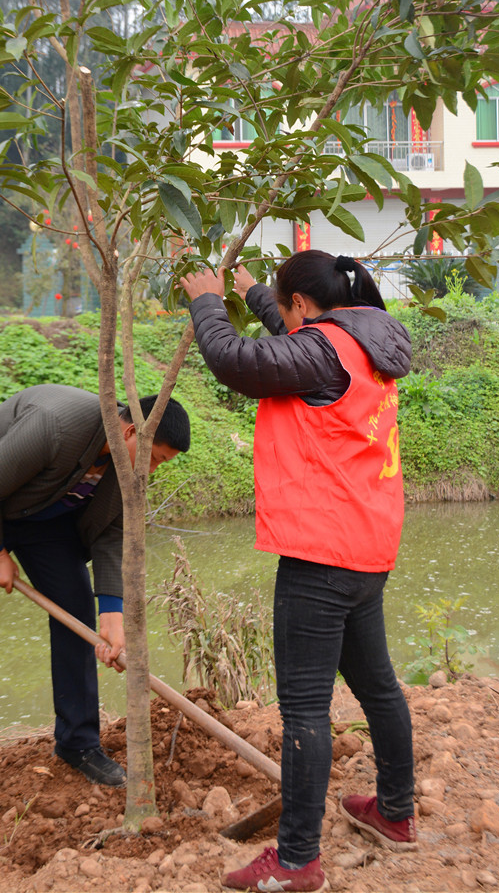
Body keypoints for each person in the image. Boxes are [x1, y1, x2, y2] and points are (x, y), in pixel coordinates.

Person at [180, 252, 416, 893]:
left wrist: (206, 299)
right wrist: (259, 293)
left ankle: (295, 861)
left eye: (286, 308)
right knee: (379, 687)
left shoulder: (321, 351)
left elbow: (236, 362)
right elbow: (294, 341)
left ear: (305, 306)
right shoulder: (364, 340)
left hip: (320, 551)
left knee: (305, 709)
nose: (285, 321)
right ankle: (396, 812)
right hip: (368, 546)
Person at [0, 383, 190, 798]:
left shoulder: (126, 464)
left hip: (38, 514)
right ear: (131, 432)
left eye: (162, 464)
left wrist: (112, 617)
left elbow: (110, 530)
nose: (151, 471)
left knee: (76, 609)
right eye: (154, 459)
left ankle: (78, 744)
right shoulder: (56, 427)